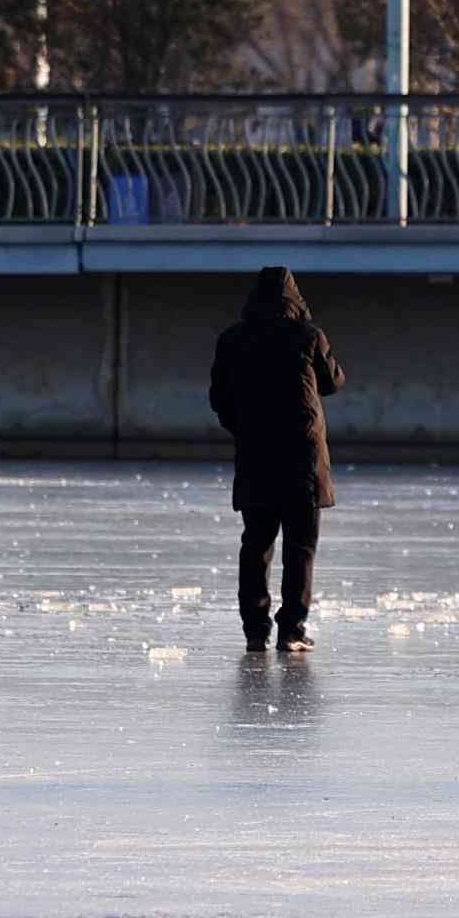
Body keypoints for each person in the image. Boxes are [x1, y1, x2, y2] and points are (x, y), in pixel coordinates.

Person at [207, 266, 347, 653]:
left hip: (255, 456)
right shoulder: (308, 336)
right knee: (301, 547)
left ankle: (255, 631)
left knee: (256, 546)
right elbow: (334, 381)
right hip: (303, 459)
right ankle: (292, 630)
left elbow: (219, 398)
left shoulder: (233, 340)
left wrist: (242, 427)